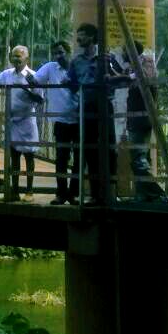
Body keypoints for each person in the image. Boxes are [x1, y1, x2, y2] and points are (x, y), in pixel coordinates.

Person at [111, 40, 168, 204]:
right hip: (135, 117)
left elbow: (135, 81)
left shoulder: (145, 64)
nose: (122, 55)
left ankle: (158, 193)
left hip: (141, 117)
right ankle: (143, 194)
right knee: (138, 158)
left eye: (124, 51)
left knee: (138, 159)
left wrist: (121, 76)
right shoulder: (135, 67)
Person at [67, 23, 116, 205]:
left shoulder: (106, 58)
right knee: (87, 151)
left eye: (83, 36)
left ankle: (110, 192)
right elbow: (71, 85)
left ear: (92, 38)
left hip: (104, 106)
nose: (79, 39)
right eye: (78, 35)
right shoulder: (76, 61)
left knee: (109, 150)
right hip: (86, 106)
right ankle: (94, 194)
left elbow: (116, 77)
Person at [0, 45, 43, 200]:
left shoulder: (33, 76)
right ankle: (14, 191)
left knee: (29, 156)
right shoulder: (7, 74)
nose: (15, 59)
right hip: (12, 121)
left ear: (26, 58)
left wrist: (28, 88)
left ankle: (30, 191)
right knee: (14, 156)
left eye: (19, 56)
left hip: (26, 121)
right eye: (13, 56)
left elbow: (40, 99)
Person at [34, 40, 78, 204]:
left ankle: (73, 193)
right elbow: (36, 80)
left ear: (68, 52)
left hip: (79, 118)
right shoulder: (50, 67)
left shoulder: (77, 67)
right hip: (61, 120)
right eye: (56, 53)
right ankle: (61, 193)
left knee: (79, 159)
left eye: (61, 52)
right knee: (61, 158)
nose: (58, 56)